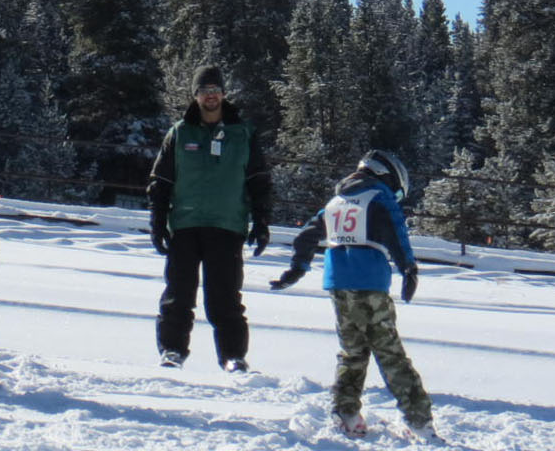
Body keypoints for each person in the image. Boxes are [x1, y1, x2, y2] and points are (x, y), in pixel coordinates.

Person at [270, 150, 436, 441]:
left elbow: (307, 234)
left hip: (338, 283)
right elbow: (397, 232)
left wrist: (297, 268)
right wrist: (408, 267)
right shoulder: (379, 196)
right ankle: (419, 421)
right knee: (390, 353)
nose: (395, 194)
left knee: (353, 350)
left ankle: (346, 413)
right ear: (386, 175)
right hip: (369, 281)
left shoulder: (336, 201)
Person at [147, 65, 271, 371]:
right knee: (178, 294)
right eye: (204, 91)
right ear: (196, 96)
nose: (210, 96)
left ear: (224, 94)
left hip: (227, 226)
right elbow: (160, 183)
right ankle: (172, 351)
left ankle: (233, 357)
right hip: (185, 227)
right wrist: (158, 222)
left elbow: (259, 182)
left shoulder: (242, 134)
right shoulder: (179, 133)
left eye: (215, 90)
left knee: (225, 297)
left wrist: (262, 222)